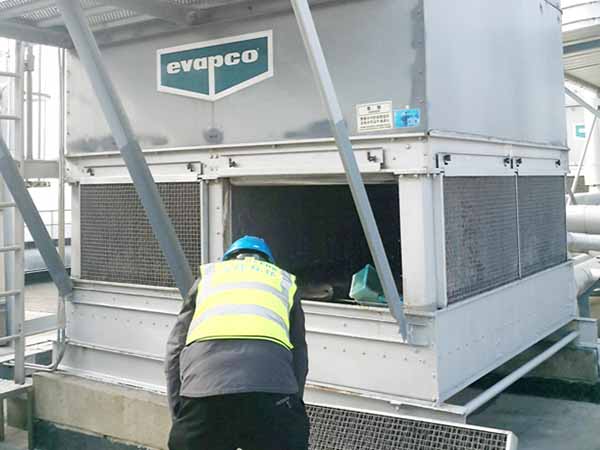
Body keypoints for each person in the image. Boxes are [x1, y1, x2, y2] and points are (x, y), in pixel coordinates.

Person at [166, 236, 310, 450]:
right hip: (272, 391)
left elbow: (175, 350)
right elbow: (299, 354)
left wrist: (181, 411)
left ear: (228, 259)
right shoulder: (283, 282)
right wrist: (291, 401)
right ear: (269, 262)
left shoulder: (208, 279)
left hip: (204, 392)